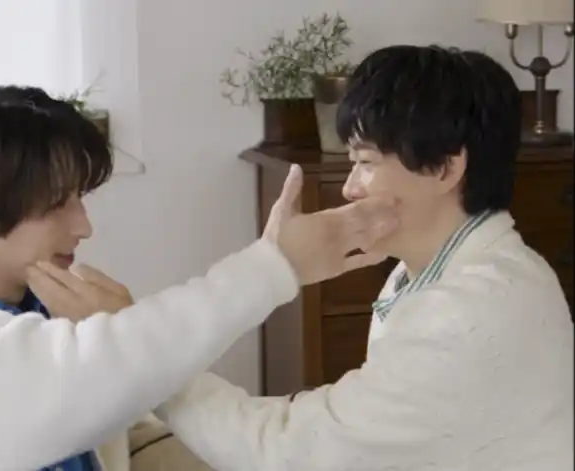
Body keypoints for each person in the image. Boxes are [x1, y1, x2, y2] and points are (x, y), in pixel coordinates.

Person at [0, 84, 399, 470]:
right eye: (57, 206)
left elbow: (122, 403)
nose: (84, 226)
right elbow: (89, 373)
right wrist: (275, 265)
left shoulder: (43, 295)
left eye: (79, 198)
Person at [141, 46, 573, 470]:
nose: (350, 188)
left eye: (366, 162)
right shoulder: (439, 270)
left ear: (445, 168)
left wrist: (145, 362)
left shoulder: (465, 313)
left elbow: (293, 452)